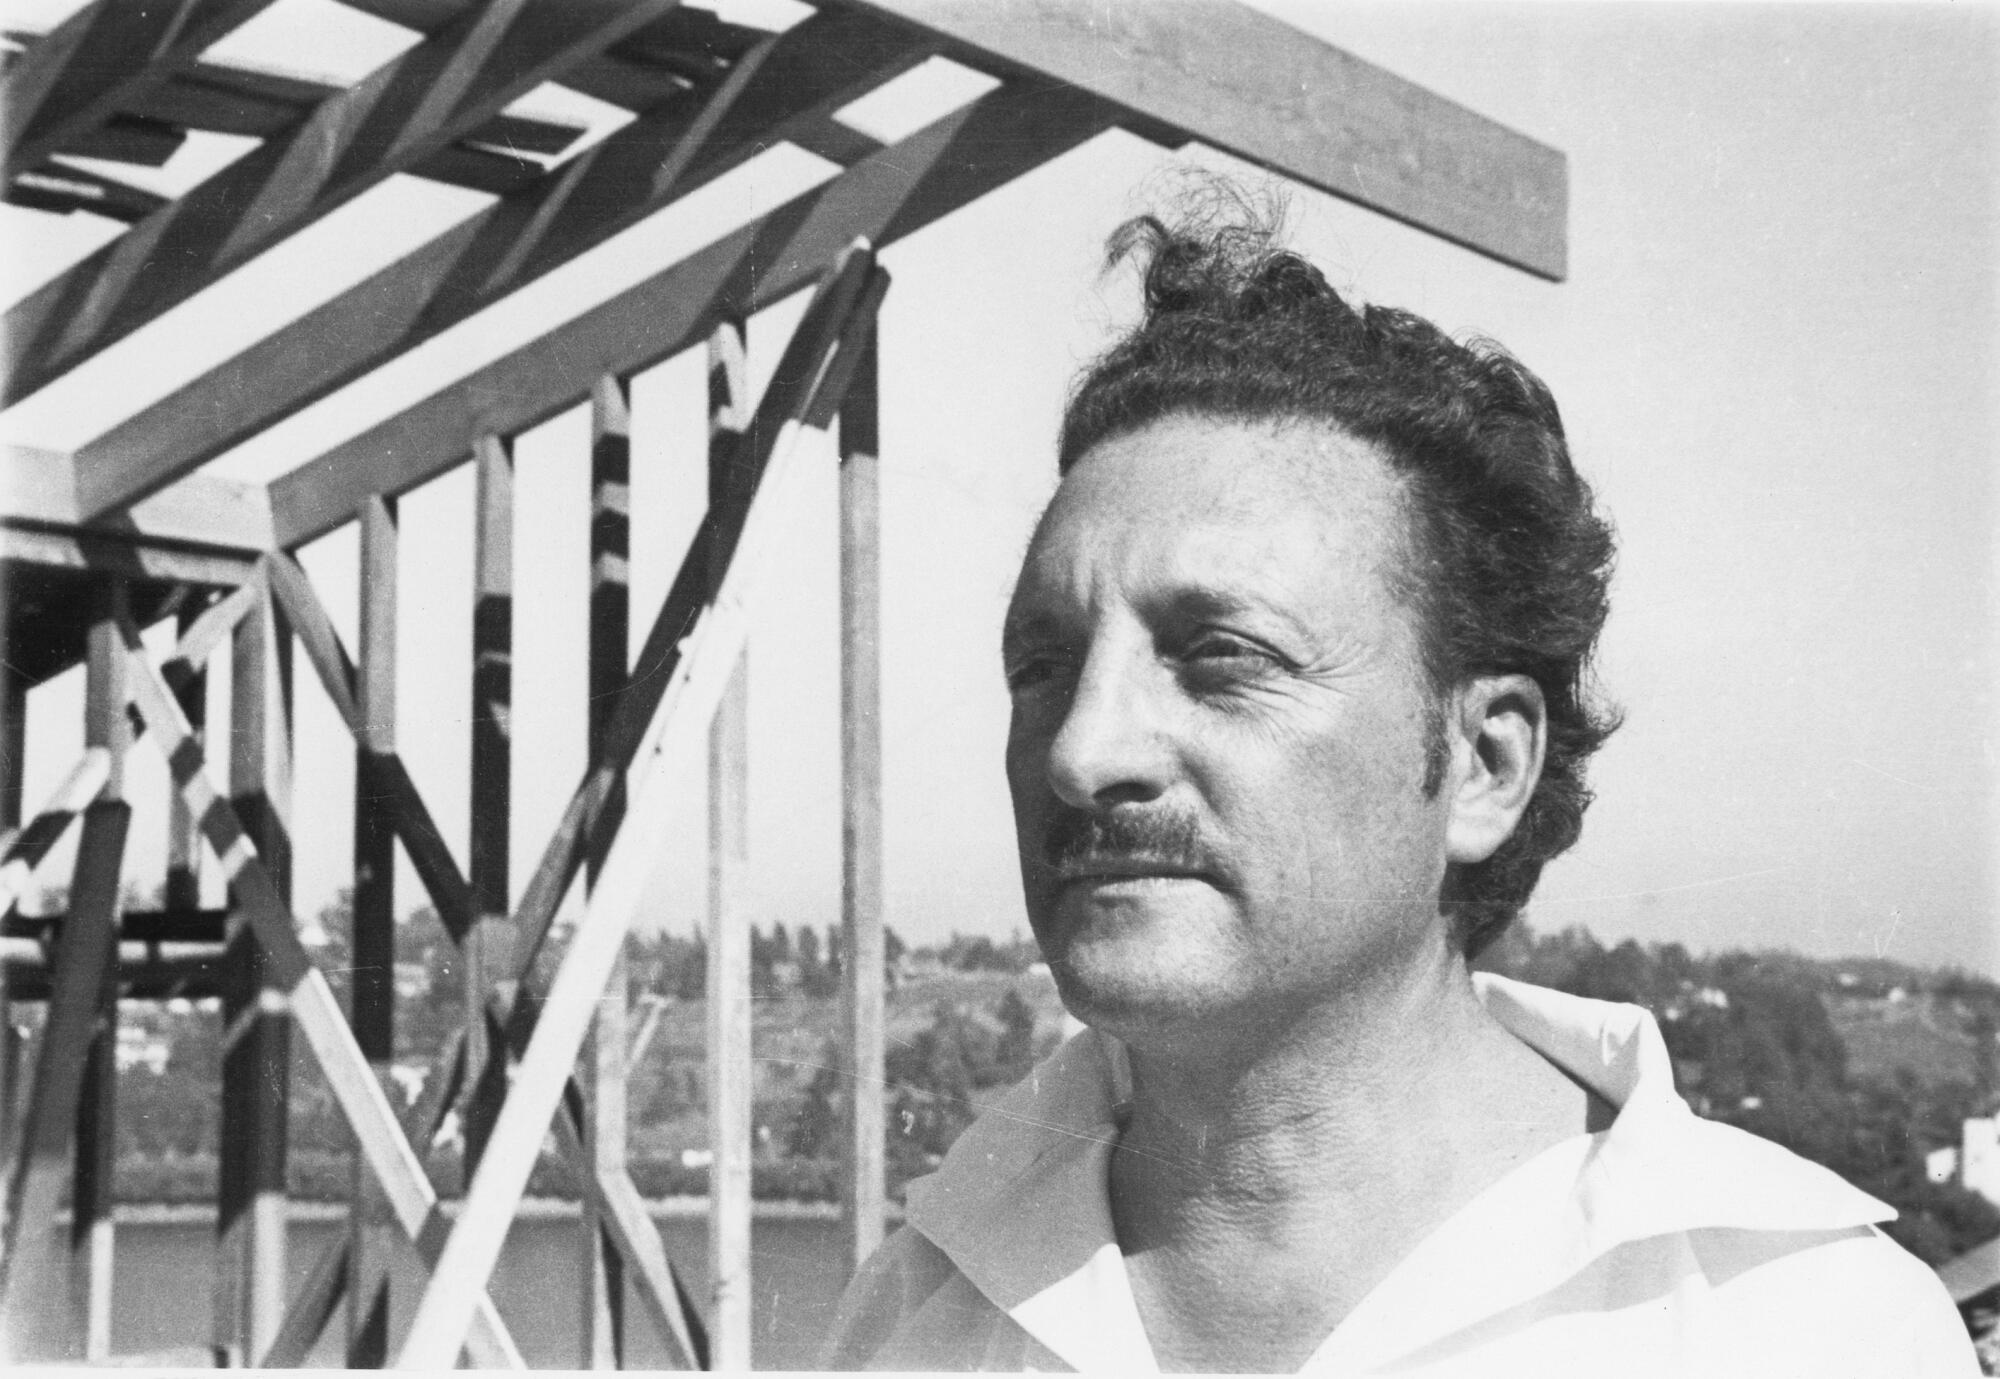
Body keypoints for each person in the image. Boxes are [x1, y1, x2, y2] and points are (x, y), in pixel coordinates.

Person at [820, 201, 1975, 1374]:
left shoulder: (1796, 1328)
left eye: (1221, 655)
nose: (1080, 748)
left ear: (1483, 765)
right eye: (1041, 664)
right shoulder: (911, 1317)